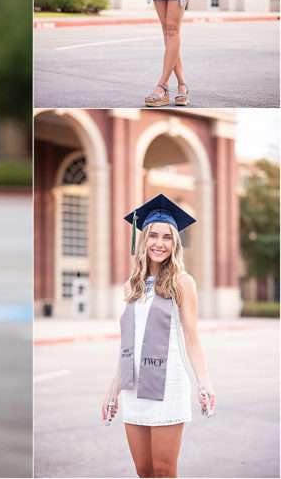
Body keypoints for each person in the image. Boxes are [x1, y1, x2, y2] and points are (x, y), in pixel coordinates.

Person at [102, 194, 215, 478]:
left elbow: (192, 339)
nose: (159, 243)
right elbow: (127, 344)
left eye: (167, 237)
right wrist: (112, 391)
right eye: (153, 235)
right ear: (143, 240)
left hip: (168, 386)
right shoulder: (131, 285)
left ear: (174, 243)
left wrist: (205, 384)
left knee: (164, 471)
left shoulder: (183, 283)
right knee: (144, 471)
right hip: (133, 387)